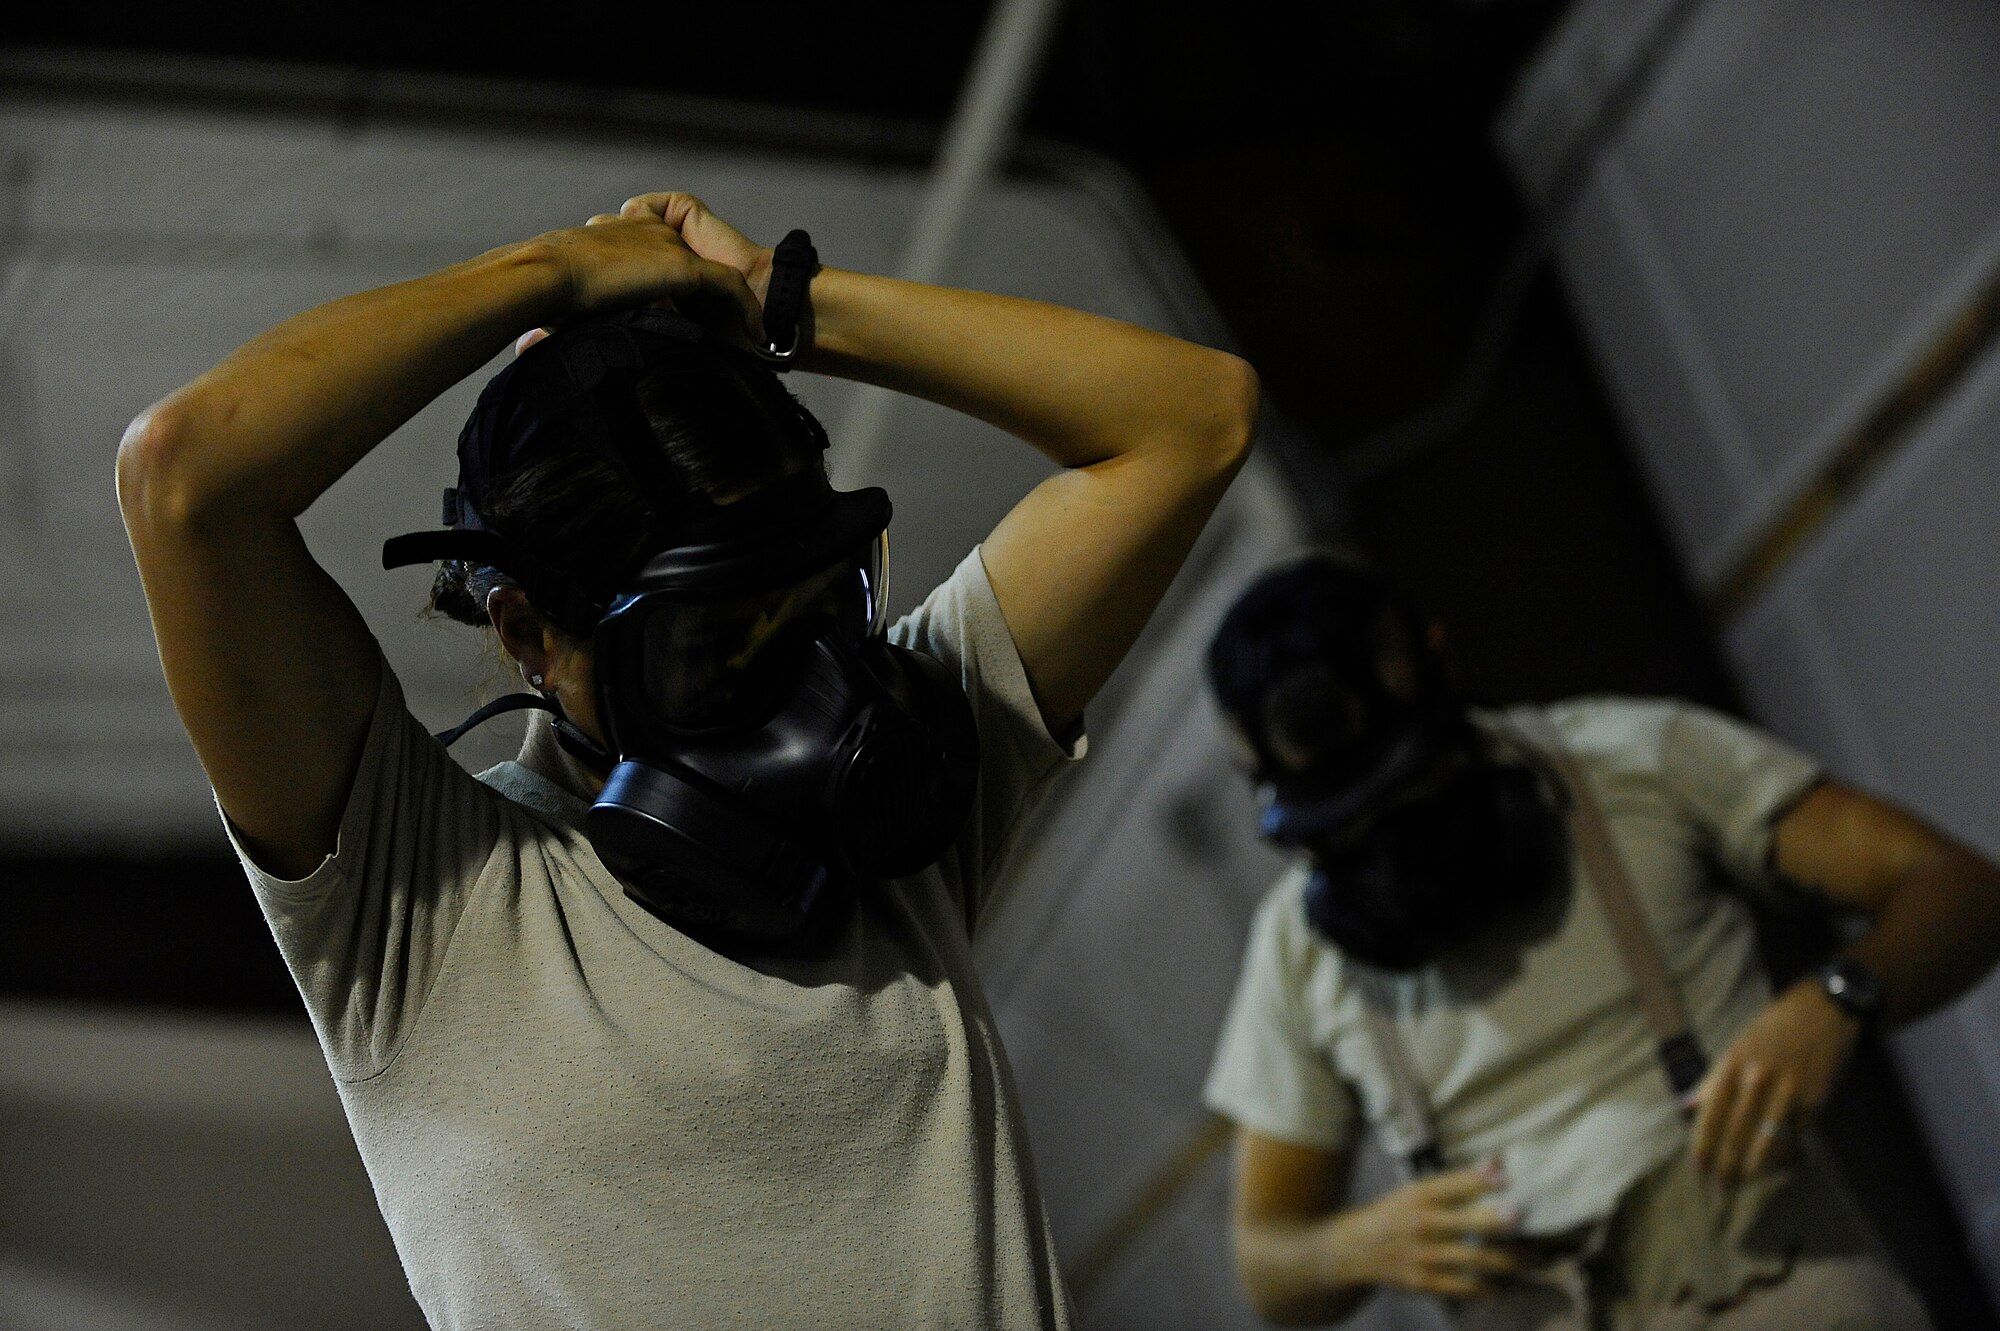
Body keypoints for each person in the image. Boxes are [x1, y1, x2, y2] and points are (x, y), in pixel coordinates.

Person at [116, 191, 1257, 1329]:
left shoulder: (894, 785)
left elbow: (1194, 418)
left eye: (813, 602)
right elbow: (187, 480)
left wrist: (780, 302)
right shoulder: (420, 899)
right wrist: (556, 268)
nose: (799, 691)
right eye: (712, 640)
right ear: (529, 635)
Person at [1199, 551, 2000, 1329]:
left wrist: (1836, 999)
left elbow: (1964, 891)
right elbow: (1264, 1261)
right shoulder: (1295, 952)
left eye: (1408, 787)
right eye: (1350, 828)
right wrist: (1348, 1247)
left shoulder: (1636, 763)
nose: (1393, 848)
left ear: (1437, 659)